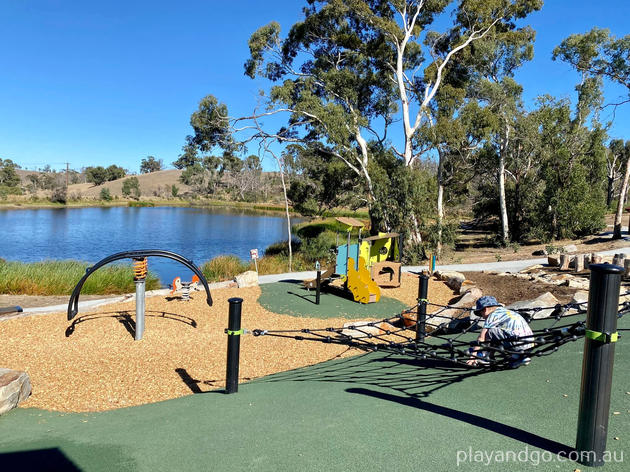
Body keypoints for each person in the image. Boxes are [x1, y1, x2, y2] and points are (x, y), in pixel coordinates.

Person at [466, 296, 534, 368]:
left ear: (485, 310)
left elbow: (482, 338)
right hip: (530, 344)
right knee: (500, 332)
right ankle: (518, 357)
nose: (482, 317)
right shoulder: (507, 312)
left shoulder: (493, 315)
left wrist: (473, 356)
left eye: (481, 313)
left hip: (518, 344)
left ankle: (486, 356)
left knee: (490, 331)